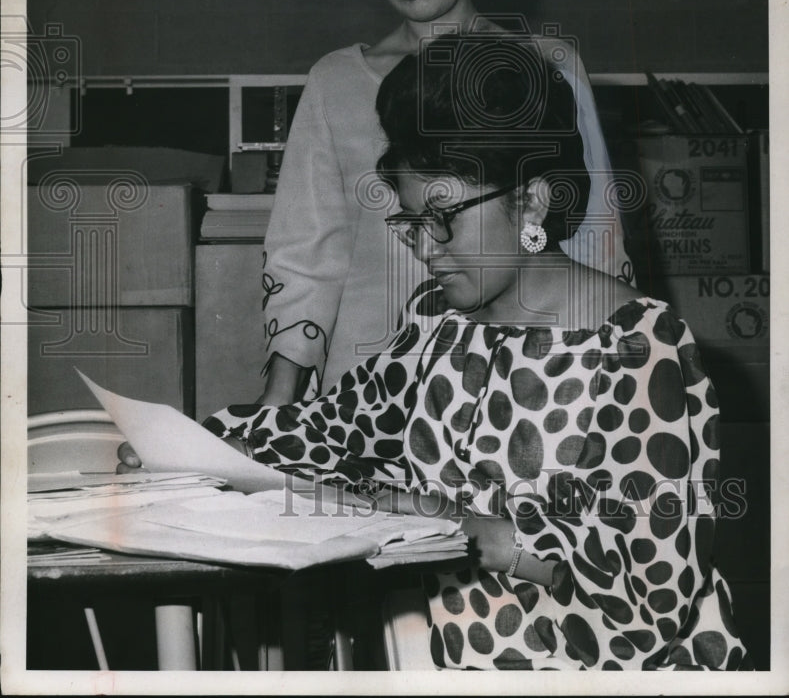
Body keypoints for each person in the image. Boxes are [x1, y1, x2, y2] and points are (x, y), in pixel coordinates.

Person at [122, 35, 750, 670]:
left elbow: (647, 603)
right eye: (413, 221)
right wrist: (192, 448)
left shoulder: (638, 345)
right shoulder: (436, 320)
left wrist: (453, 524)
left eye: (444, 216)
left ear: (530, 197)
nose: (425, 246)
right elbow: (339, 431)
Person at [256, 0, 634, 405]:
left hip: (516, 397)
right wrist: (273, 418)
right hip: (366, 401)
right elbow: (305, 259)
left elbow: (593, 240)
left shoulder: (549, 67)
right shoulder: (334, 82)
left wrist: (599, 387)